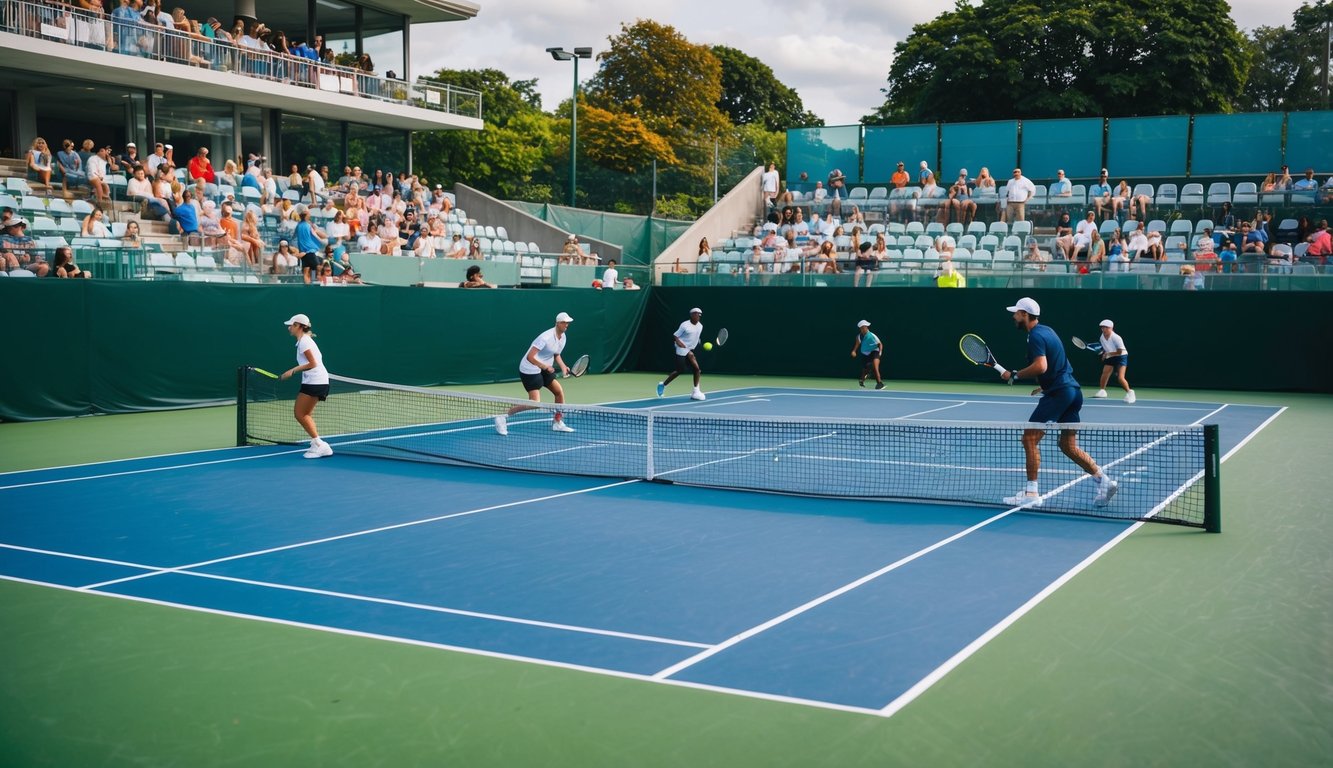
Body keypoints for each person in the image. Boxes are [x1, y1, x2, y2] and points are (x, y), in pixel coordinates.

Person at [998, 297, 1118, 508]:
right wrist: (1046, 385)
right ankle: (1104, 480)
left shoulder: (1034, 336)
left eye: (1016, 313)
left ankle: (1031, 493)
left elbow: (1041, 366)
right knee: (1068, 445)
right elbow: (1058, 362)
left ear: (1025, 315)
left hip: (1059, 394)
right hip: (1072, 391)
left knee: (1029, 439)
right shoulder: (1048, 330)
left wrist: (1015, 375)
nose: (1013, 316)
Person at [494, 312, 576, 435]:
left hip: (544, 367)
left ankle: (557, 422)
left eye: (568, 322)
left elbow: (556, 354)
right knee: (535, 403)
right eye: (564, 322)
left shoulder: (563, 337)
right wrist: (544, 366)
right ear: (557, 323)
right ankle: (503, 416)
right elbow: (530, 357)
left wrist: (563, 367)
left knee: (559, 392)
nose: (566, 325)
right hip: (529, 368)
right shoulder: (545, 337)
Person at [279, 313, 333, 459]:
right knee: (305, 414)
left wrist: (292, 371)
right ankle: (317, 443)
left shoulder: (305, 342)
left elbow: (313, 363)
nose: (289, 328)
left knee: (300, 413)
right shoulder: (303, 341)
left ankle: (320, 445)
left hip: (315, 381)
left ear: (298, 326)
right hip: (314, 381)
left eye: (291, 325)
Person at [656, 307, 706, 401]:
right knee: (680, 370)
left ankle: (696, 391)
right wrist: (678, 342)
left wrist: (697, 343)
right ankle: (662, 385)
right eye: (696, 314)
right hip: (681, 348)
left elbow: (696, 337)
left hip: (690, 349)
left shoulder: (700, 326)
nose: (698, 316)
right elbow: (675, 335)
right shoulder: (684, 325)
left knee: (697, 370)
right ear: (691, 315)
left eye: (699, 314)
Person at [1091, 319, 1134, 403]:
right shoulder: (1102, 337)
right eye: (1102, 328)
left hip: (1121, 356)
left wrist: (1108, 354)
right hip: (1110, 355)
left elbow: (1120, 352)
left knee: (1120, 378)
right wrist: (1104, 354)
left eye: (1106, 328)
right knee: (1105, 373)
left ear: (1111, 328)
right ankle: (1102, 391)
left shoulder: (1116, 338)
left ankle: (1130, 392)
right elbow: (1105, 348)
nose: (1103, 329)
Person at [851, 319, 885, 389]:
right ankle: (862, 380)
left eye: (866, 326)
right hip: (866, 354)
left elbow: (880, 344)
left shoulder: (872, 335)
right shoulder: (859, 337)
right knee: (866, 369)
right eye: (864, 327)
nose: (866, 328)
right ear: (861, 328)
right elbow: (857, 345)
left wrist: (880, 353)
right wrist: (854, 351)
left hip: (875, 352)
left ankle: (879, 383)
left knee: (875, 367)